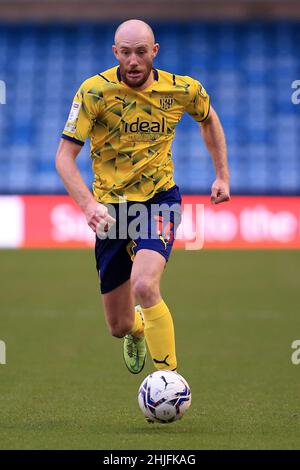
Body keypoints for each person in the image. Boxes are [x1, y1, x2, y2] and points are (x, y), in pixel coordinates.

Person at [55, 19, 230, 375]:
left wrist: (222, 175)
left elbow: (208, 118)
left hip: (159, 200)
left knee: (145, 284)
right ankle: (137, 328)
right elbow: (63, 157)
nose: (133, 61)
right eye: (125, 52)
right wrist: (88, 204)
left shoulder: (182, 90)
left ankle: (168, 378)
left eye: (140, 52)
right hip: (112, 214)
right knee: (118, 326)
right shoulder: (94, 92)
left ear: (154, 51)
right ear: (115, 53)